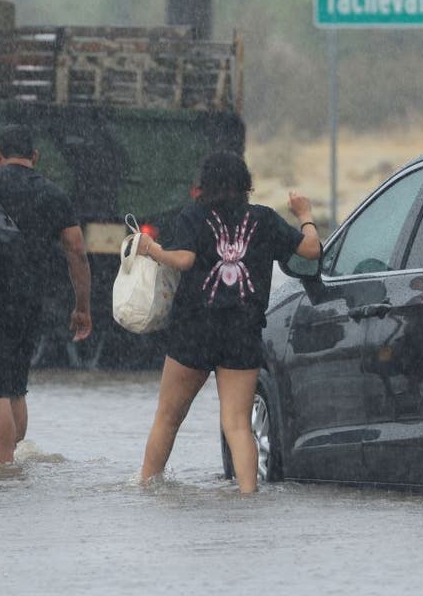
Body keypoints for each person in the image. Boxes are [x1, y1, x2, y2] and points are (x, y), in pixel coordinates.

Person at [136, 151, 322, 494]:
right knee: (238, 424)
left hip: (194, 329)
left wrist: (152, 249)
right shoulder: (264, 220)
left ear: (204, 185)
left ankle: (147, 488)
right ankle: (248, 496)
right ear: (245, 185)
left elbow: (185, 259)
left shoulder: (193, 215)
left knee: (168, 418)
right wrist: (305, 214)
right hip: (243, 329)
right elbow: (311, 251)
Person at [0, 125, 92, 464]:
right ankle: (15, 459)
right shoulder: (54, 194)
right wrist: (82, 306)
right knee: (15, 384)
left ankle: (4, 469)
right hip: (30, 299)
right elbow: (77, 252)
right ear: (35, 157)